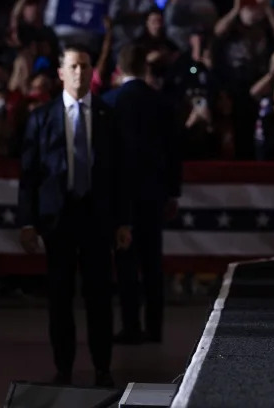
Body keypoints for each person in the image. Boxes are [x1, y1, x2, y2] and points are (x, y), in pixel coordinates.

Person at [17, 45, 130, 387]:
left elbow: (120, 174)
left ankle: (102, 367)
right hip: (58, 220)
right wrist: (27, 222)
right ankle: (63, 367)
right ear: (61, 73)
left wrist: (123, 221)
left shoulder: (109, 117)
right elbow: (29, 176)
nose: (79, 72)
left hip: (97, 219)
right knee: (60, 297)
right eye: (73, 66)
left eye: (84, 66)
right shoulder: (41, 117)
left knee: (99, 297)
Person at [102, 44, 181, 345]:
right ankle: (155, 328)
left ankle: (131, 326)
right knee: (152, 262)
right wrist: (172, 192)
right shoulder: (161, 103)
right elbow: (174, 152)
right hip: (154, 194)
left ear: (119, 69)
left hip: (120, 196)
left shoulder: (109, 102)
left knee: (125, 261)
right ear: (144, 67)